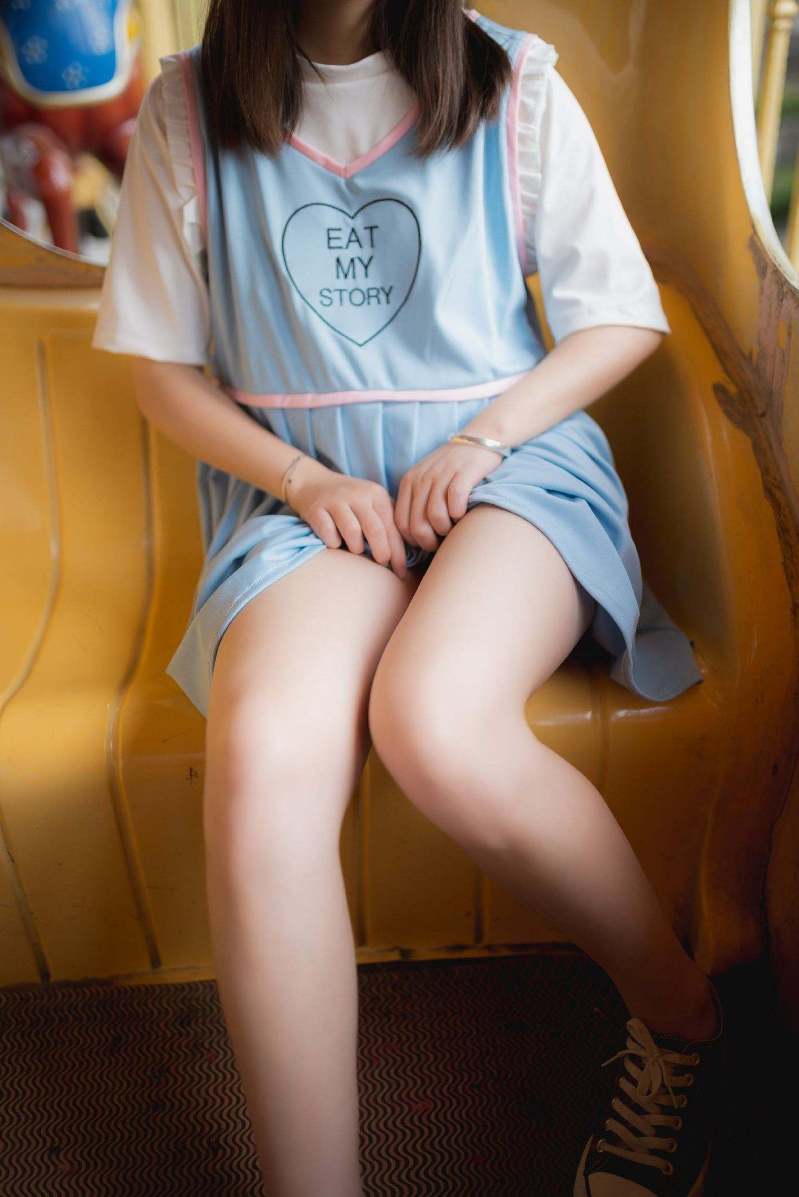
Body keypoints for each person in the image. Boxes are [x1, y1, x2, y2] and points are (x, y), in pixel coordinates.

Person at [91, 3, 726, 1194]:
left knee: (434, 722)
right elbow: (161, 374)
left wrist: (482, 439)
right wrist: (304, 479)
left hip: (509, 471)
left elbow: (619, 317)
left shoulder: (513, 86)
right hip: (308, 495)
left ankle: (681, 1021)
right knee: (263, 753)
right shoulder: (185, 109)